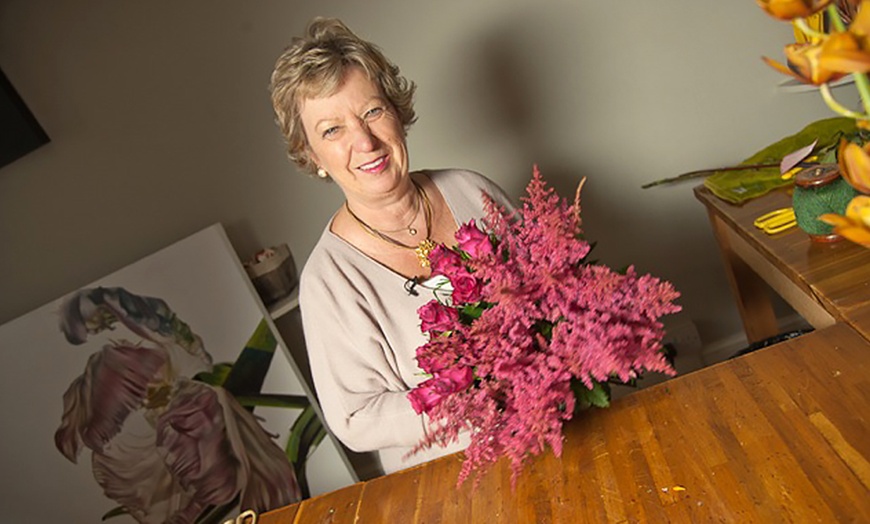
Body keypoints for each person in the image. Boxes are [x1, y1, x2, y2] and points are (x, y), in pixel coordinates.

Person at [269, 17, 513, 475]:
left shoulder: (472, 191)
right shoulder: (329, 282)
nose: (364, 141)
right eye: (332, 130)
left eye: (372, 112)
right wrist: (478, 402)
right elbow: (356, 418)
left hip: (559, 426)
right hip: (454, 479)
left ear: (397, 113)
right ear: (311, 156)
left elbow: (554, 292)